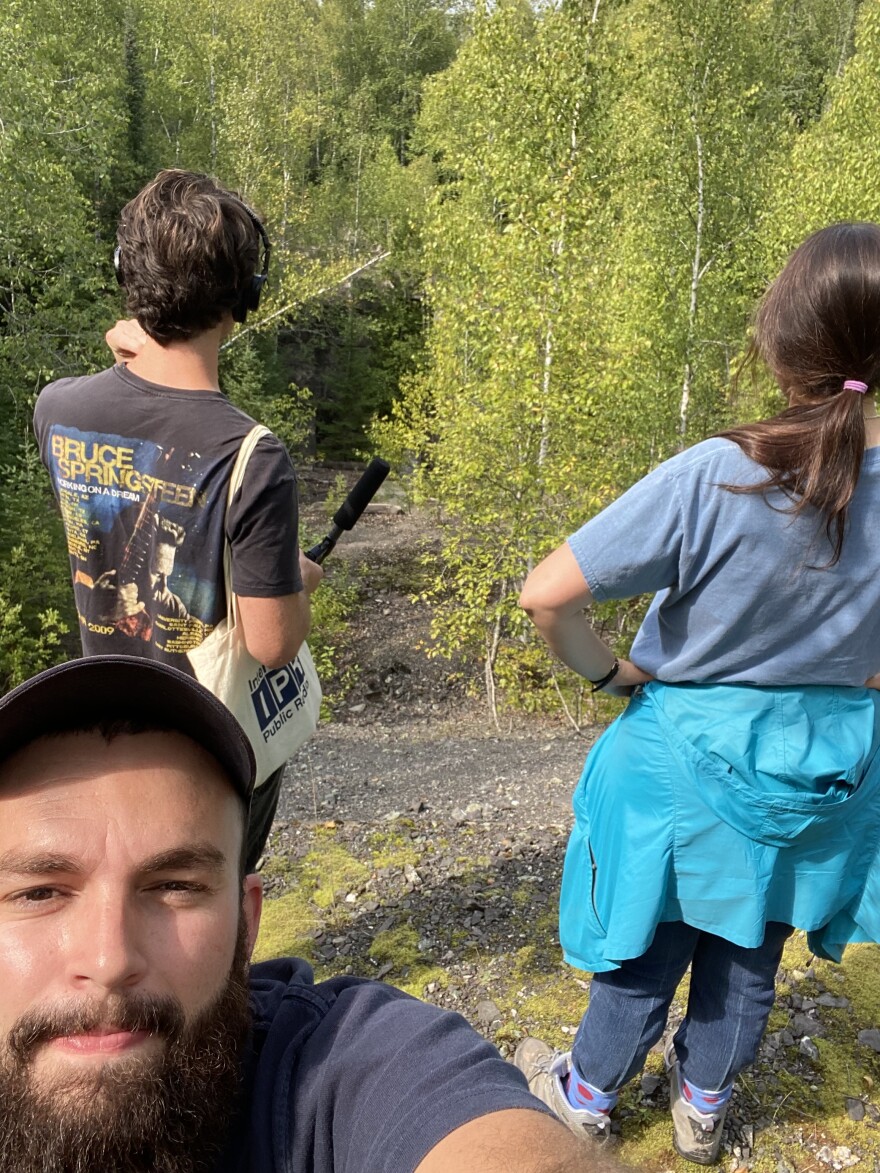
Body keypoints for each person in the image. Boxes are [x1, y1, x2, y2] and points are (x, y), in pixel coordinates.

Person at [514, 221, 880, 1165]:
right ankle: (704, 1104)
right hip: (818, 775)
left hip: (684, 768)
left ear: (784, 342)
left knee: (646, 943)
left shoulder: (722, 473)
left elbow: (546, 594)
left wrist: (610, 672)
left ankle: (586, 1094)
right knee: (752, 952)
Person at [0, 653, 615, 1173]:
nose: (109, 960)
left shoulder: (337, 1067)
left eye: (174, 886)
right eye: (39, 893)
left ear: (247, 923)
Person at [33, 168, 321, 871]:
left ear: (125, 278)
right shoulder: (251, 455)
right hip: (206, 737)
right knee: (206, 896)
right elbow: (274, 641)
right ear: (242, 301)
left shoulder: (57, 410)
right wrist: (294, 579)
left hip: (108, 722)